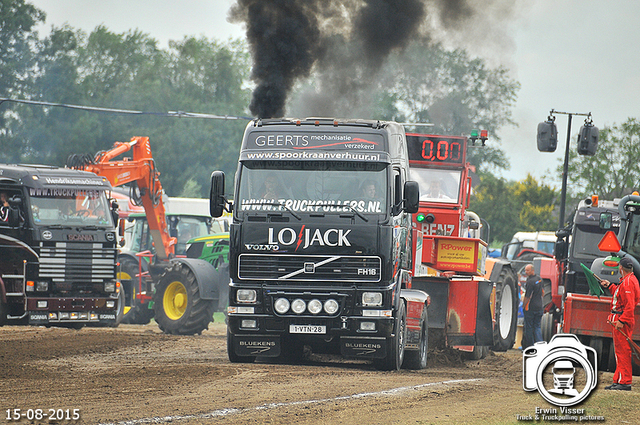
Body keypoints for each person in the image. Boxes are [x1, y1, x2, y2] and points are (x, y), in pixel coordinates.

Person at [601, 257, 640, 391]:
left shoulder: (628, 282)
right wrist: (610, 286)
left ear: (621, 268)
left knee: (623, 351)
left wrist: (622, 321)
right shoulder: (629, 280)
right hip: (620, 317)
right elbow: (622, 295)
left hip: (621, 319)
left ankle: (625, 381)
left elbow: (629, 305)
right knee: (620, 351)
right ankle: (619, 379)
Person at [522, 263, 543, 349]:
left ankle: (530, 347)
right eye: (525, 270)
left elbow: (527, 296)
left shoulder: (530, 282)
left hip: (530, 308)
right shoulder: (539, 279)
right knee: (537, 327)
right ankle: (540, 346)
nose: (526, 272)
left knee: (529, 328)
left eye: (528, 270)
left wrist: (523, 306)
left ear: (532, 270)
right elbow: (543, 293)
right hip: (540, 307)